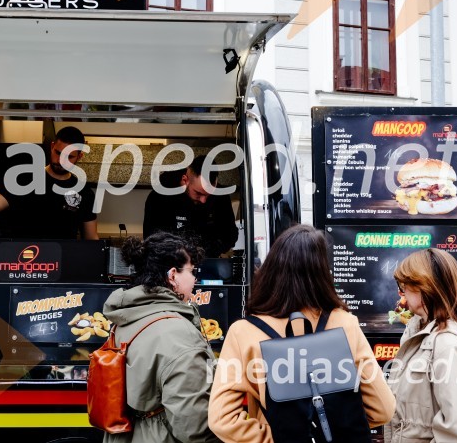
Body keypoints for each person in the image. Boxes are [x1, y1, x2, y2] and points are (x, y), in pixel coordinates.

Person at [209, 224, 395, 442]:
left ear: (271, 269)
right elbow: (383, 409)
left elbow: (222, 419)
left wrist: (279, 437)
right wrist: (331, 430)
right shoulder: (345, 323)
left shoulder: (244, 332)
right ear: (322, 272)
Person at [102, 232, 220, 443]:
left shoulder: (125, 319)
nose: (195, 279)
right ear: (173, 275)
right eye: (192, 271)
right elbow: (195, 428)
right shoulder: (180, 335)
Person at [384, 248, 457, 443]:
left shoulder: (447, 345)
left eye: (404, 286)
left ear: (425, 287)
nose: (401, 293)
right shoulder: (422, 332)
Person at [0, 126, 98, 239]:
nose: (60, 160)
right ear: (52, 147)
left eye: (69, 156)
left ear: (79, 156)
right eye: (58, 153)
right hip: (21, 255)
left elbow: (91, 237)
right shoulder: (23, 180)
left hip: (62, 257)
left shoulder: (84, 193)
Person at [143, 155, 238, 257]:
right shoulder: (160, 196)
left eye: (208, 194)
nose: (203, 200)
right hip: (171, 262)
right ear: (185, 180)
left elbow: (230, 236)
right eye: (198, 193)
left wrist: (208, 249)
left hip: (208, 261)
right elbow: (151, 239)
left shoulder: (220, 196)